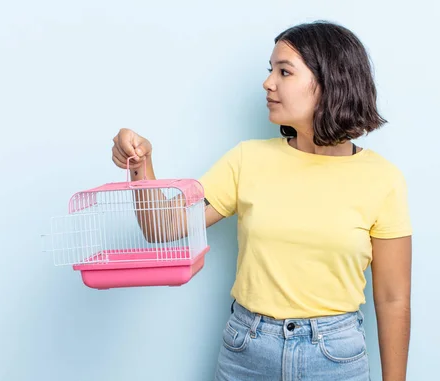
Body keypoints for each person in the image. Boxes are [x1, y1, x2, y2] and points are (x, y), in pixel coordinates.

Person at [111, 21, 412, 381]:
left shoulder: (382, 179)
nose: (268, 83)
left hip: (335, 358)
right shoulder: (247, 160)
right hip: (247, 352)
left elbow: (394, 300)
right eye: (271, 71)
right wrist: (141, 166)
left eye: (284, 72)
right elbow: (161, 228)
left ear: (331, 82)